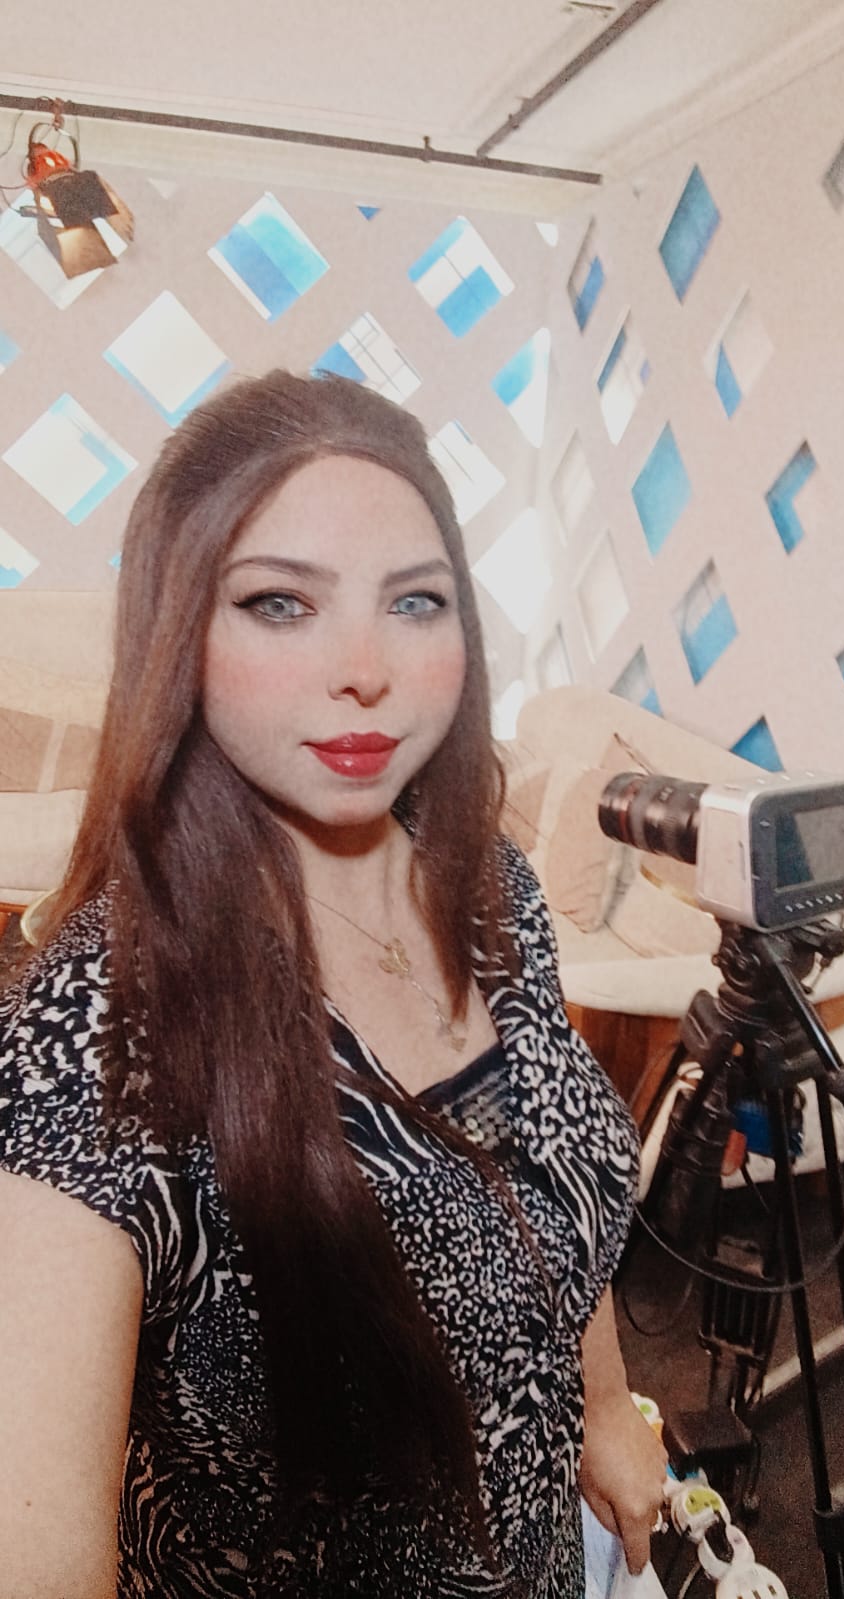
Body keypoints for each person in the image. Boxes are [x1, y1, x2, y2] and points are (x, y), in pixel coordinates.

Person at [0, 371, 667, 1599]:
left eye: (413, 601)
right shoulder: (101, 1029)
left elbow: (538, 1175)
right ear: (177, 634)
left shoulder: (491, 890)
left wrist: (607, 1405)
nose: (365, 668)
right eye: (280, 603)